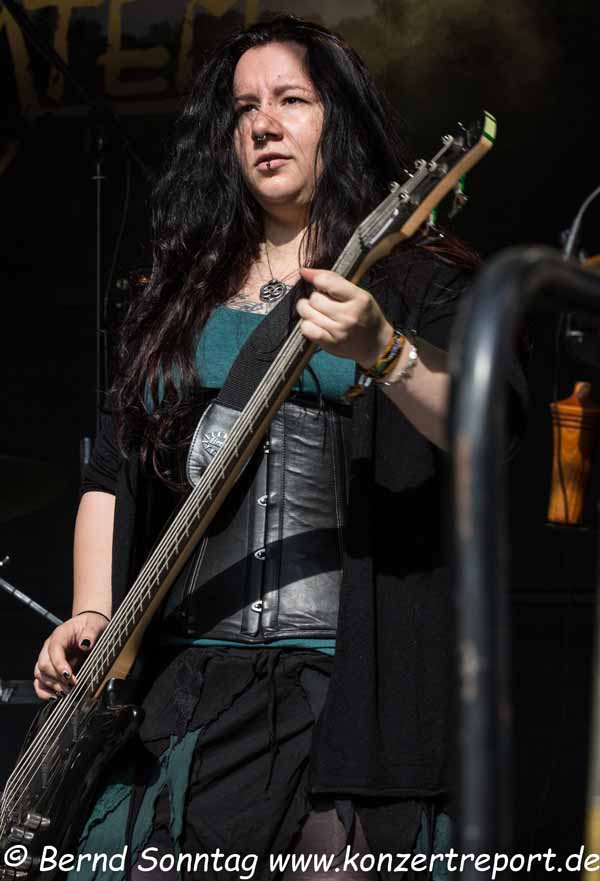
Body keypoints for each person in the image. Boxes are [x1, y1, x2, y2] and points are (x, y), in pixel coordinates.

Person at [32, 14, 527, 881]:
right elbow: (112, 467)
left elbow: (490, 432)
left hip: (352, 689)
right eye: (244, 108)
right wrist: (91, 613)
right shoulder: (177, 298)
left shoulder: (417, 278)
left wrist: (386, 351)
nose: (264, 123)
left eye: (291, 100)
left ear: (340, 119)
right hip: (187, 693)